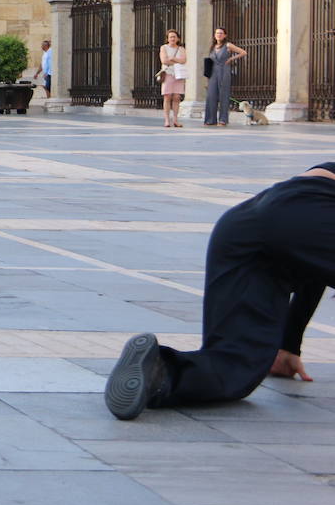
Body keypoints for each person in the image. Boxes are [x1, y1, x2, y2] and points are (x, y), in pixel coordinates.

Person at [104, 163, 335, 420]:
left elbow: (315, 258)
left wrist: (289, 345)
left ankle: (159, 372)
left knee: (235, 366)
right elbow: (313, 234)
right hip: (298, 212)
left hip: (243, 226)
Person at [203, 27, 247, 127]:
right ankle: (210, 119)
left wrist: (231, 58)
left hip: (224, 71)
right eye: (217, 33)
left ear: (225, 35)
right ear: (214, 35)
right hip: (213, 72)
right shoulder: (212, 46)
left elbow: (243, 52)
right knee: (211, 96)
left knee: (224, 95)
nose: (219, 35)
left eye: (221, 33)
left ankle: (223, 119)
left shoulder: (228, 45)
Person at [159, 29, 187, 129]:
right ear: (167, 38)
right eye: (170, 37)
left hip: (179, 75)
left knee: (177, 97)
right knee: (167, 96)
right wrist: (177, 61)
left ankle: (175, 120)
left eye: (174, 37)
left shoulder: (181, 49)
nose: (172, 39)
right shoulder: (164, 47)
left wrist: (173, 59)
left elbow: (183, 60)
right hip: (168, 74)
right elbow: (164, 60)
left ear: (178, 38)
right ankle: (167, 120)